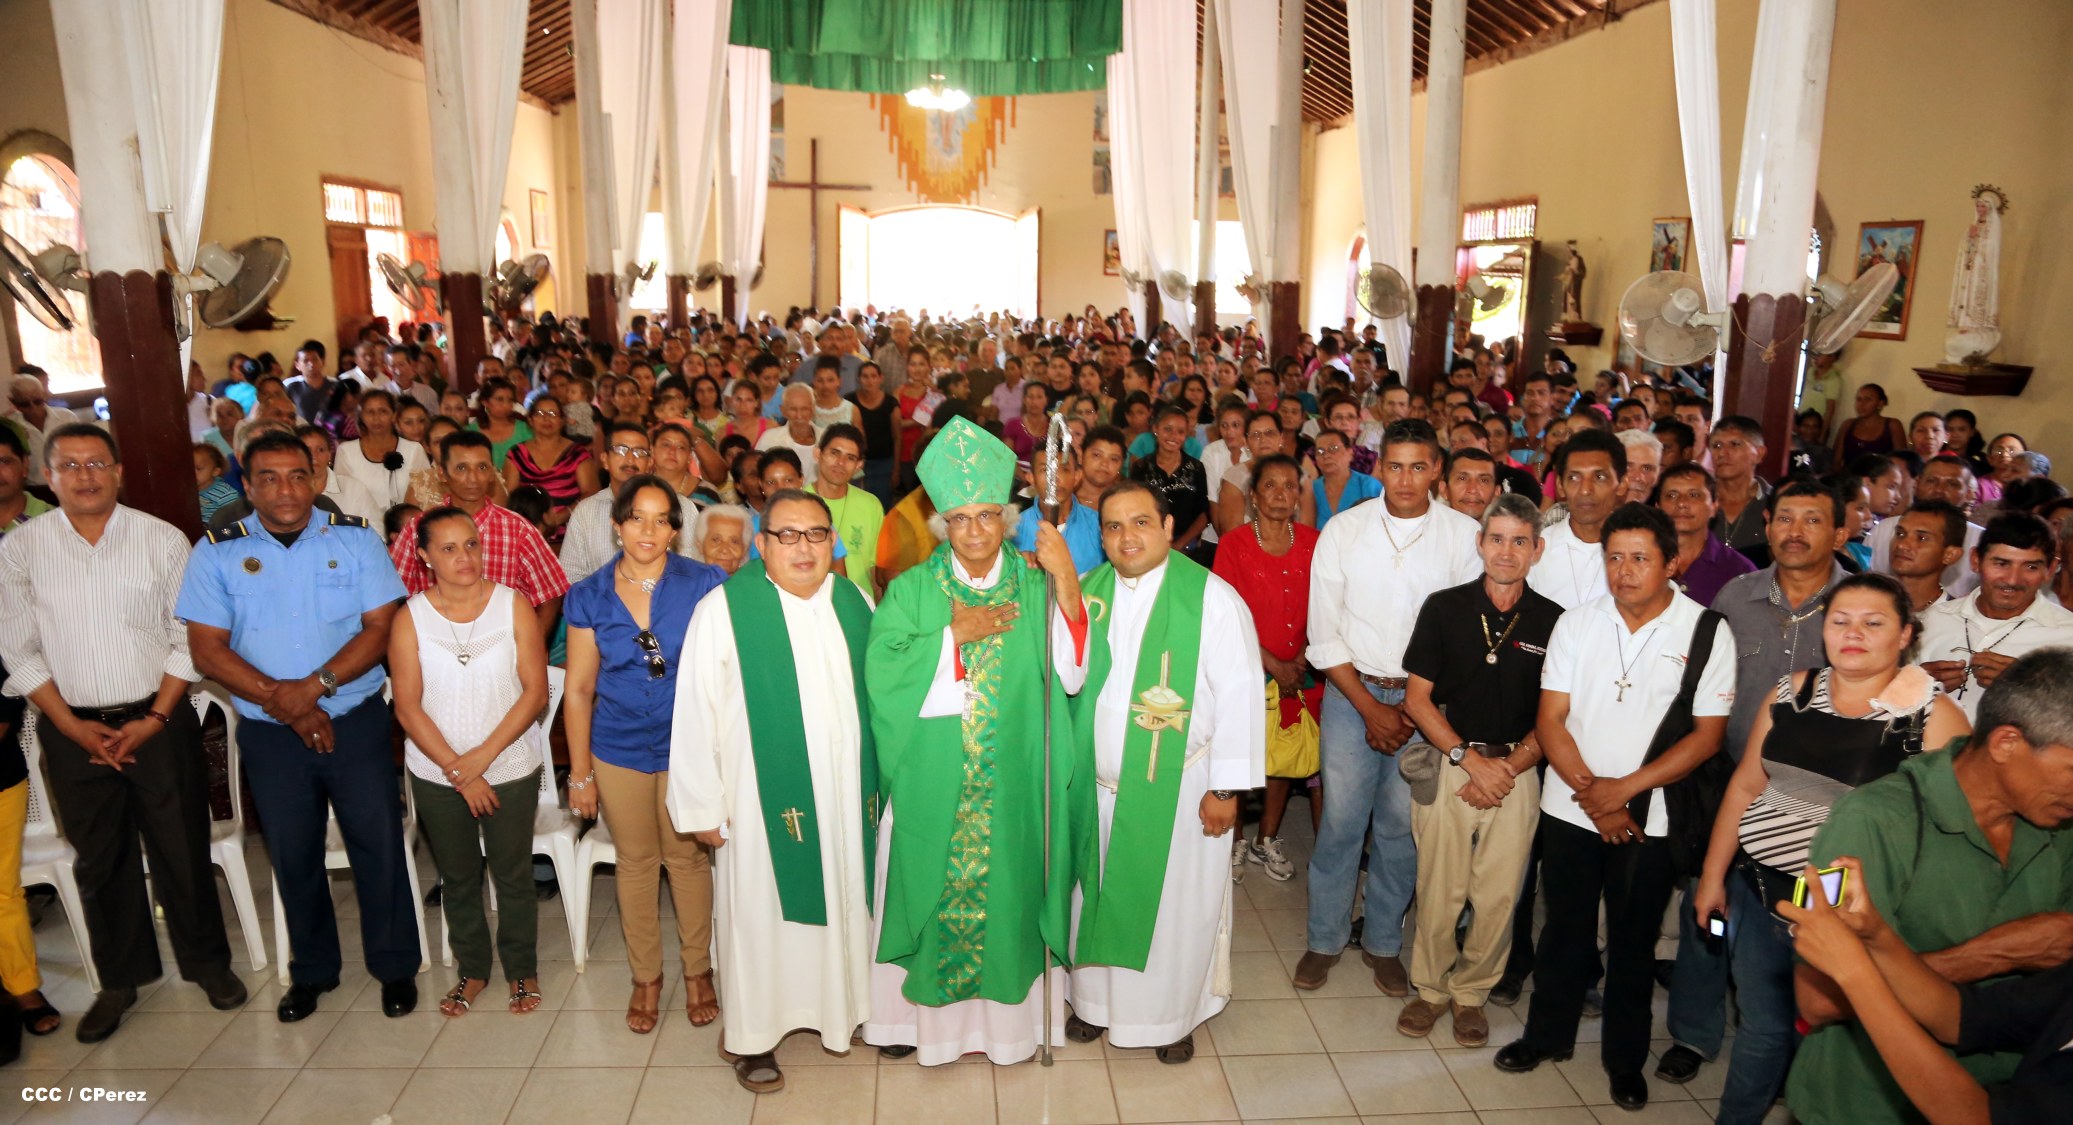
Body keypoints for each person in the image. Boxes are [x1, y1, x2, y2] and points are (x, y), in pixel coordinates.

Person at [1682, 573, 1968, 1124]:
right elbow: (1746, 785)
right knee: (1762, 1027)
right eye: (1840, 621)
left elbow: (1951, 830)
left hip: (1844, 908)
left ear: (1905, 634)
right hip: (1760, 889)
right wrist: (1714, 876)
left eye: (1872, 623)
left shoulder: (1931, 718)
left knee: (1826, 1031)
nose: (1853, 633)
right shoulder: (1792, 691)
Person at [0, 425, 244, 1043]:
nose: (84, 476)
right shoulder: (21, 548)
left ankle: (207, 964)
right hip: (70, 725)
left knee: (181, 846)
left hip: (157, 718)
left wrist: (155, 718)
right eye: (70, 465)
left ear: (118, 472)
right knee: (99, 857)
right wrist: (71, 726)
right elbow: (16, 648)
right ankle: (120, 980)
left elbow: (188, 636)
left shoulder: (161, 539)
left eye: (96, 464)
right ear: (48, 477)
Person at [862, 416, 1088, 1066]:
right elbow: (882, 672)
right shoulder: (912, 589)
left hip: (1014, 779)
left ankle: (1008, 1032)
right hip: (935, 781)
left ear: (1007, 518)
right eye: (959, 519)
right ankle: (919, 1028)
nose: (974, 531)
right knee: (931, 888)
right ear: (942, 524)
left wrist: (1065, 579)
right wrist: (950, 638)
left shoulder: (1035, 584)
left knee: (1010, 893)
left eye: (987, 515)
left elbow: (1072, 673)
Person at [1495, 503, 1736, 1111]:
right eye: (1614, 557)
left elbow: (1706, 736)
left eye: (1640, 558)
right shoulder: (1577, 623)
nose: (1624, 571)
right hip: (1571, 807)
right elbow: (1550, 720)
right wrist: (1595, 796)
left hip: (1652, 817)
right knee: (1564, 930)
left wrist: (1624, 790)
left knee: (1632, 942)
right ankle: (1545, 1035)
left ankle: (1625, 1060)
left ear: (1671, 562)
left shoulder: (1706, 630)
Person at [178, 429, 419, 1023]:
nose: (285, 490)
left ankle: (394, 965)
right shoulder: (216, 551)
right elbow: (207, 650)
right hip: (270, 734)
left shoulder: (355, 540)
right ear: (247, 484)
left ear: (314, 480)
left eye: (296, 476)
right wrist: (285, 703)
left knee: (378, 844)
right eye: (269, 477)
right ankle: (313, 971)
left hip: (354, 720)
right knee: (292, 852)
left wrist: (312, 689)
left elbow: (381, 629)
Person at [1784, 649, 2073, 1125]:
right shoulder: (1865, 819)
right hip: (1867, 1106)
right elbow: (1816, 1002)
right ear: (2006, 742)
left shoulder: (2058, 823)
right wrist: (1989, 956)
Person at [669, 489, 878, 1092]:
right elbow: (695, 711)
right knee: (760, 916)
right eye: (787, 535)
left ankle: (850, 1009)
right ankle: (754, 1037)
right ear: (761, 544)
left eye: (816, 534)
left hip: (847, 798)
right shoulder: (725, 610)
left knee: (848, 898)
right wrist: (702, 803)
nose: (803, 547)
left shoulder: (855, 601)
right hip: (761, 804)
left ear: (833, 540)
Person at [1062, 479, 1265, 1062]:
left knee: (1175, 910)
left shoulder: (1211, 599)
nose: (1127, 536)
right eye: (1113, 526)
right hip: (1095, 788)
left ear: (1169, 527)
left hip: (1179, 788)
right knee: (1091, 897)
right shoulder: (1087, 595)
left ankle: (1171, 1016)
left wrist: (1225, 788)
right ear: (1101, 537)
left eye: (1141, 522)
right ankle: (1095, 1004)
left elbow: (1242, 695)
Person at [1660, 480, 1851, 1089]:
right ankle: (1694, 1031)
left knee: (1809, 922)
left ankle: (1793, 1041)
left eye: (1813, 520)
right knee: (1708, 903)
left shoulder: (1859, 605)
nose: (1795, 531)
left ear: (1840, 533)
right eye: (1785, 518)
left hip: (1823, 802)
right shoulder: (1735, 595)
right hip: (1729, 781)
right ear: (1766, 526)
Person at [1296, 420, 1481, 994]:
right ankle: (1324, 938)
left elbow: (1463, 636)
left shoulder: (1462, 536)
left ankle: (1382, 943)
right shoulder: (1344, 530)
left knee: (1401, 829)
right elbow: (1323, 632)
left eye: (1418, 467)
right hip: (1351, 691)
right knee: (1342, 822)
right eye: (1395, 466)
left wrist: (1413, 705)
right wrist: (1370, 707)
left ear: (1437, 471)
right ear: (1378, 468)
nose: (1405, 479)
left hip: (1425, 700)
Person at [1393, 493, 1560, 1048]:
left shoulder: (1554, 621)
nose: (1506, 552)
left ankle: (1471, 995)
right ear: (1480, 543)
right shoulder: (1444, 607)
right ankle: (1430, 989)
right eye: (1497, 539)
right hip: (1452, 762)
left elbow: (1556, 716)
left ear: (1537, 549)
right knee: (1439, 886)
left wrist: (1505, 769)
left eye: (1519, 541)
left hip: (1518, 770)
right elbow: (1417, 700)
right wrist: (1469, 761)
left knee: (1498, 895)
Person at [563, 475, 728, 1034]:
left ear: (676, 530)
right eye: (637, 518)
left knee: (686, 860)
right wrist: (580, 773)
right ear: (617, 525)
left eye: (662, 519)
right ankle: (646, 978)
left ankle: (699, 971)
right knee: (635, 862)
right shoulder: (589, 595)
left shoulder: (705, 583)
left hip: (689, 747)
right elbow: (578, 689)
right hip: (618, 745)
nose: (648, 531)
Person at [388, 508, 549, 1018]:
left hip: (509, 765)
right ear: (424, 556)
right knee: (458, 878)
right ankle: (473, 969)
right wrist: (460, 771)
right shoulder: (410, 617)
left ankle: (521, 969)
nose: (465, 557)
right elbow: (407, 706)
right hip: (437, 771)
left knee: (513, 874)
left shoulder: (513, 605)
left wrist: (482, 758)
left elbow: (535, 692)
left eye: (472, 544)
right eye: (449, 548)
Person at [1215, 455, 1321, 881]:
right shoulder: (1234, 544)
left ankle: (1267, 838)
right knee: (1242, 754)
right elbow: (1225, 614)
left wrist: (1301, 660)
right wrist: (1273, 663)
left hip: (1302, 668)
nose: (1280, 493)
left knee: (1285, 754)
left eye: (1289, 485)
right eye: (1270, 485)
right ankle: (1236, 839)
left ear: (1298, 496)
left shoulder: (1315, 542)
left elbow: (1328, 607)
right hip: (1246, 665)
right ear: (1254, 496)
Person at [389, 431, 568, 629]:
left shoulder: (518, 530)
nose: (473, 478)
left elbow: (551, 593)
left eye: (482, 467)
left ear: (492, 473)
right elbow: (391, 596)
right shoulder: (417, 529)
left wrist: (530, 643)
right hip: (432, 639)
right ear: (442, 473)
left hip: (503, 640)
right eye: (461, 468)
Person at [1917, 513, 2073, 722]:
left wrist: (2027, 686)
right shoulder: (1931, 620)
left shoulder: (2067, 636)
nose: (2013, 580)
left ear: (2051, 569)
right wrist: (1914, 683)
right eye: (2001, 563)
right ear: (1975, 560)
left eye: (2031, 567)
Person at [561, 424, 701, 585]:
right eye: (621, 450)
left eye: (639, 452)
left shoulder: (682, 508)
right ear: (605, 459)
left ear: (650, 462)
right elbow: (571, 577)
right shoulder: (586, 511)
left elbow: (694, 570)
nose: (630, 459)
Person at [1529, 429, 1628, 611]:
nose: (1585, 490)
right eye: (1574, 478)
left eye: (1599, 477)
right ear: (1560, 485)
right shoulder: (1535, 550)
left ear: (1621, 484)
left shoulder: (1637, 554)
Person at [501, 394, 598, 544]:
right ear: (530, 420)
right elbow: (510, 498)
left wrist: (559, 517)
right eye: (540, 413)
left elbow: (591, 493)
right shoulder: (516, 454)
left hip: (572, 535)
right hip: (527, 536)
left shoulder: (578, 453)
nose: (546, 418)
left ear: (562, 420)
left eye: (553, 413)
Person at [1657, 463, 1758, 606]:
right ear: (1657, 507)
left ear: (1714, 506)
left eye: (1694, 495)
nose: (1681, 503)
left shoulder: (1740, 572)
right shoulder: (1638, 561)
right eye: (1671, 495)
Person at [1129, 404, 1211, 559]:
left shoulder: (1196, 468)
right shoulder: (1141, 467)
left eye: (1180, 431)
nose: (1173, 436)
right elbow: (1133, 508)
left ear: (1187, 434)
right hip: (1148, 543)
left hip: (1187, 547)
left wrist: (1180, 544)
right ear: (1156, 429)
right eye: (1167, 429)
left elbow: (1204, 513)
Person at [809, 424, 883, 591]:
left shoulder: (871, 505)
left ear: (859, 465)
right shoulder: (798, 503)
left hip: (861, 602)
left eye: (850, 458)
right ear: (818, 454)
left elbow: (875, 571)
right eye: (834, 453)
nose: (840, 463)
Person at [334, 388, 431, 514]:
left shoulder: (414, 450)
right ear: (362, 416)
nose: (376, 418)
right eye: (370, 412)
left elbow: (425, 494)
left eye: (383, 411)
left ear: (394, 415)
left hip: (406, 522)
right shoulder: (346, 451)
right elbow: (343, 497)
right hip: (362, 524)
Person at [1014, 442, 1104, 576]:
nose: (1054, 479)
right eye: (1045, 470)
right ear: (1031, 478)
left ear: (1077, 476)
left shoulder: (1098, 526)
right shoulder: (1014, 529)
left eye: (1064, 470)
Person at [1709, 416, 1774, 562]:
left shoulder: (1775, 503)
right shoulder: (1700, 500)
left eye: (1734, 444)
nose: (1722, 453)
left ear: (1759, 453)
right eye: (1716, 446)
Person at [1887, 500, 1969, 612]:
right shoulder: (1867, 600)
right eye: (1900, 534)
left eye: (1921, 538)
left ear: (1950, 555)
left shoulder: (1957, 618)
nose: (1902, 545)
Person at [1300, 429, 1381, 530]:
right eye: (1320, 451)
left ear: (1350, 453)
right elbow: (1306, 529)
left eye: (1333, 448)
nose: (1326, 455)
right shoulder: (1312, 489)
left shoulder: (1369, 485)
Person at [1832, 383, 1906, 465]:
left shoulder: (1893, 425)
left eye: (1868, 399)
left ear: (1880, 403)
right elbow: (1836, 460)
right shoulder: (1848, 424)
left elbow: (1901, 462)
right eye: (1859, 399)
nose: (1861, 404)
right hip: (1849, 473)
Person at [466, 377, 532, 470]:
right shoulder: (470, 433)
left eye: (510, 400)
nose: (506, 405)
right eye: (499, 399)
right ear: (485, 402)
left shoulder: (525, 430)